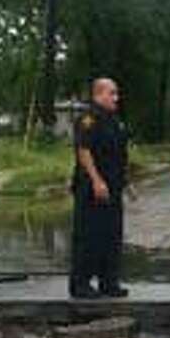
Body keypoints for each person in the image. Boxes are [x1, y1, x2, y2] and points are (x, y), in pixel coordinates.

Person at [69, 77, 130, 299]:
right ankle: (81, 284)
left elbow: (120, 155)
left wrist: (126, 182)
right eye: (111, 93)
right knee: (88, 235)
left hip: (113, 186)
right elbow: (83, 151)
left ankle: (109, 282)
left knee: (112, 235)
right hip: (91, 187)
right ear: (98, 95)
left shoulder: (115, 121)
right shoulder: (88, 119)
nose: (116, 98)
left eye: (116, 93)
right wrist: (96, 180)